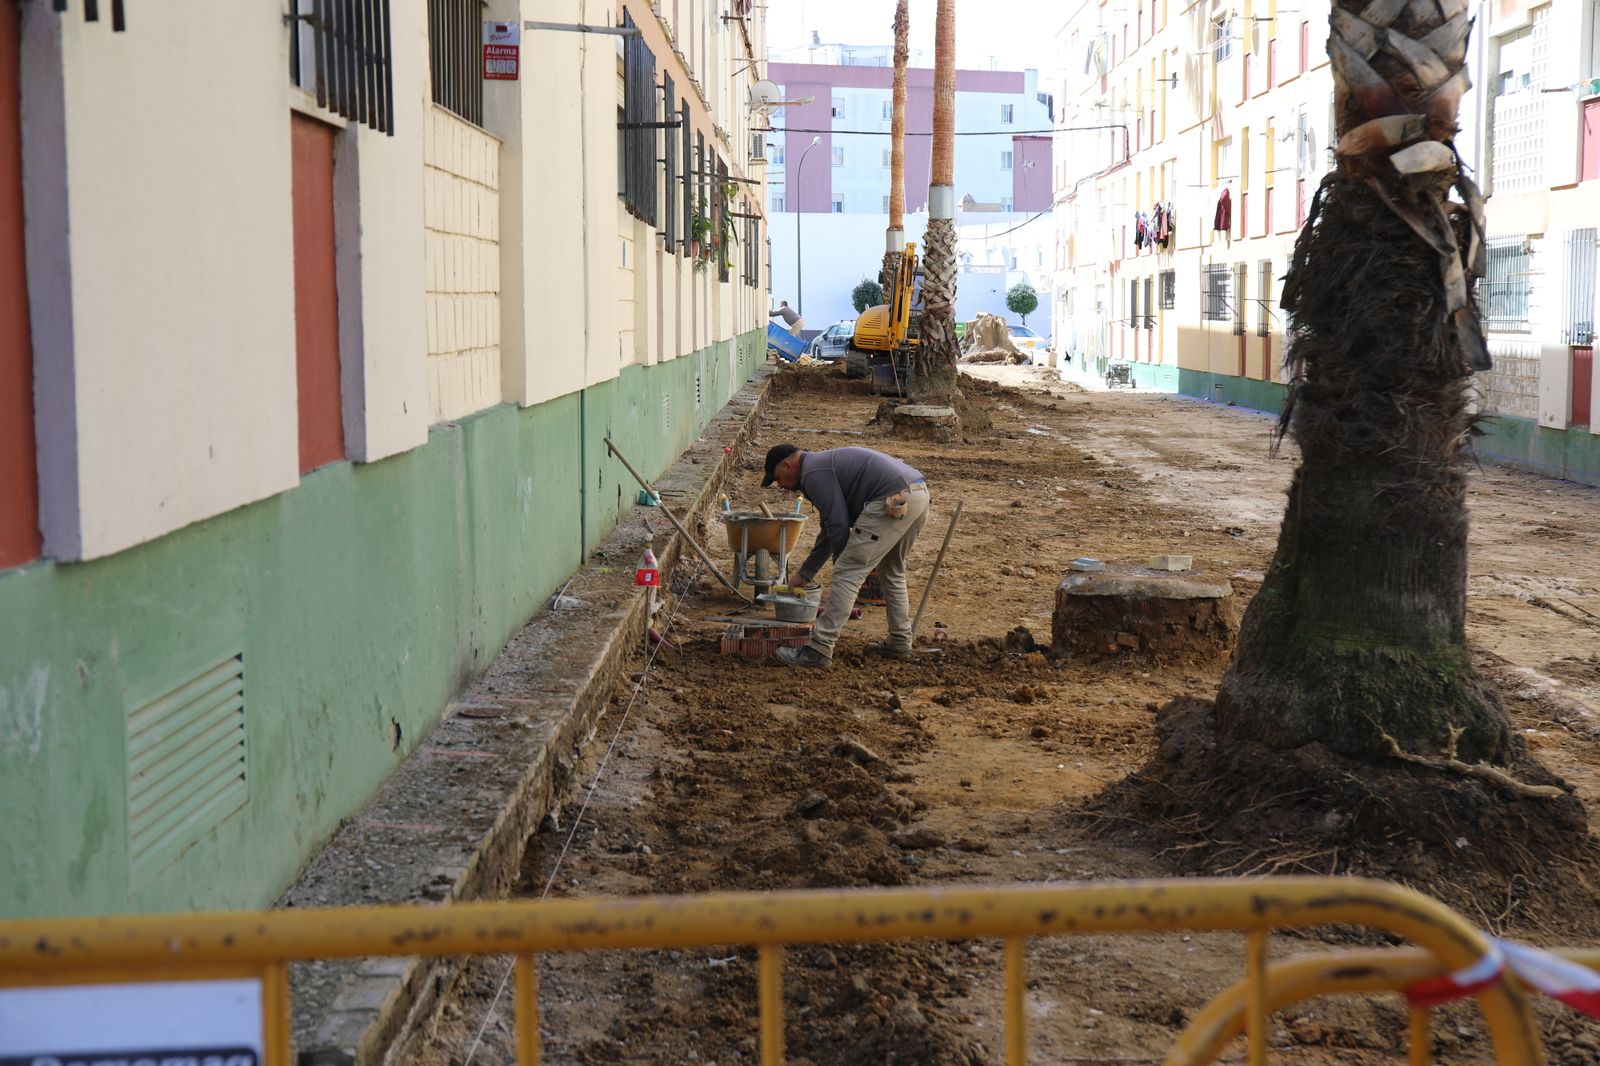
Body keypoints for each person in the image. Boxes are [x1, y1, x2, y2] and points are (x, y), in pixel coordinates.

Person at [761, 443, 930, 667]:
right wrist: (806, 573)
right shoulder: (820, 465)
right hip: (917, 494)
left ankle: (819, 648)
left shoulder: (812, 473)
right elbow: (829, 527)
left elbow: (838, 524)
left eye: (777, 478)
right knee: (892, 571)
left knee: (848, 572)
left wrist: (844, 565)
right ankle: (899, 641)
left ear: (787, 465)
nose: (780, 485)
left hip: (890, 498)